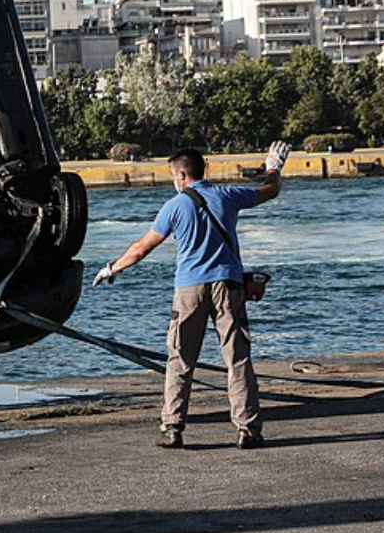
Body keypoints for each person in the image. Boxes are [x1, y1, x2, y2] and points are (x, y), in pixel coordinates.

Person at [91, 141, 290, 450]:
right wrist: (274, 165)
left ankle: (173, 428)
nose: (174, 181)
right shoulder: (228, 196)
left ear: (182, 175)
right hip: (228, 285)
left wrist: (112, 269)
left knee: (181, 359)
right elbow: (270, 190)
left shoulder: (175, 206)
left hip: (189, 290)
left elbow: (142, 248)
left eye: (174, 175)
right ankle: (248, 430)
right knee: (237, 358)